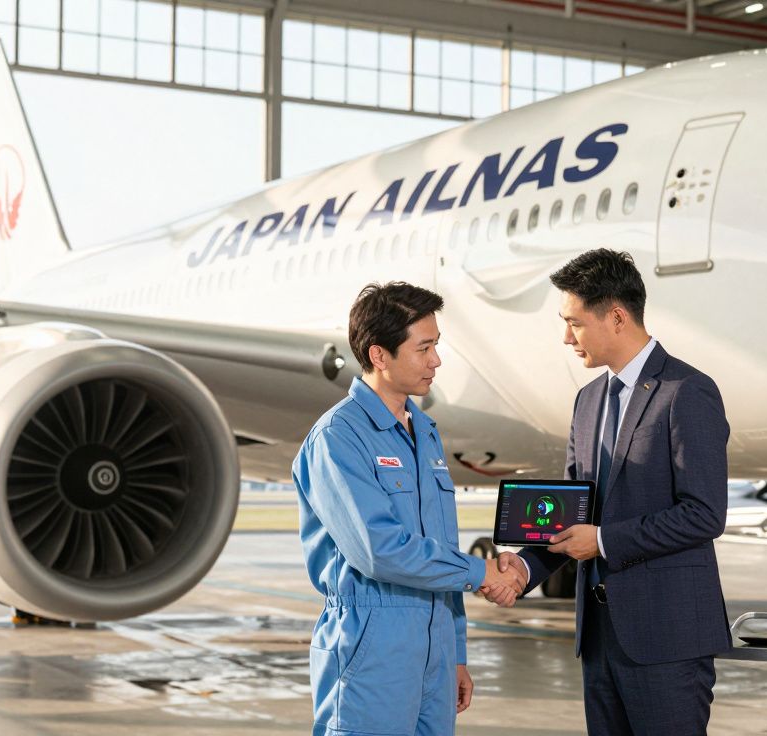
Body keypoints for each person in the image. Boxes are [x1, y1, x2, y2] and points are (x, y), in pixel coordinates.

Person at [481, 248, 732, 735]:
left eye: (574, 322)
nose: (566, 337)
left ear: (616, 316)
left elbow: (704, 515)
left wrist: (602, 541)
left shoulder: (687, 391)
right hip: (599, 640)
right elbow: (576, 512)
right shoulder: (588, 400)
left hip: (666, 640)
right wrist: (526, 568)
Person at [294, 281, 526, 736]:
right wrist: (483, 574)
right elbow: (379, 550)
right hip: (372, 652)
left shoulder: (426, 433)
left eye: (436, 345)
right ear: (379, 355)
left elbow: (440, 550)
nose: (436, 361)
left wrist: (456, 654)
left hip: (434, 655)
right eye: (424, 348)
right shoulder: (339, 438)